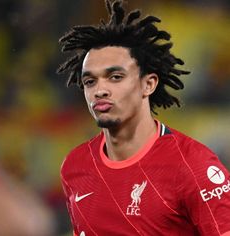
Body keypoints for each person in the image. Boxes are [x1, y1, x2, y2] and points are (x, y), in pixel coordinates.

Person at [57, 0, 230, 235]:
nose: (100, 90)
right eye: (90, 81)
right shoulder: (75, 166)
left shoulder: (193, 165)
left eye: (115, 77)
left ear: (148, 84)